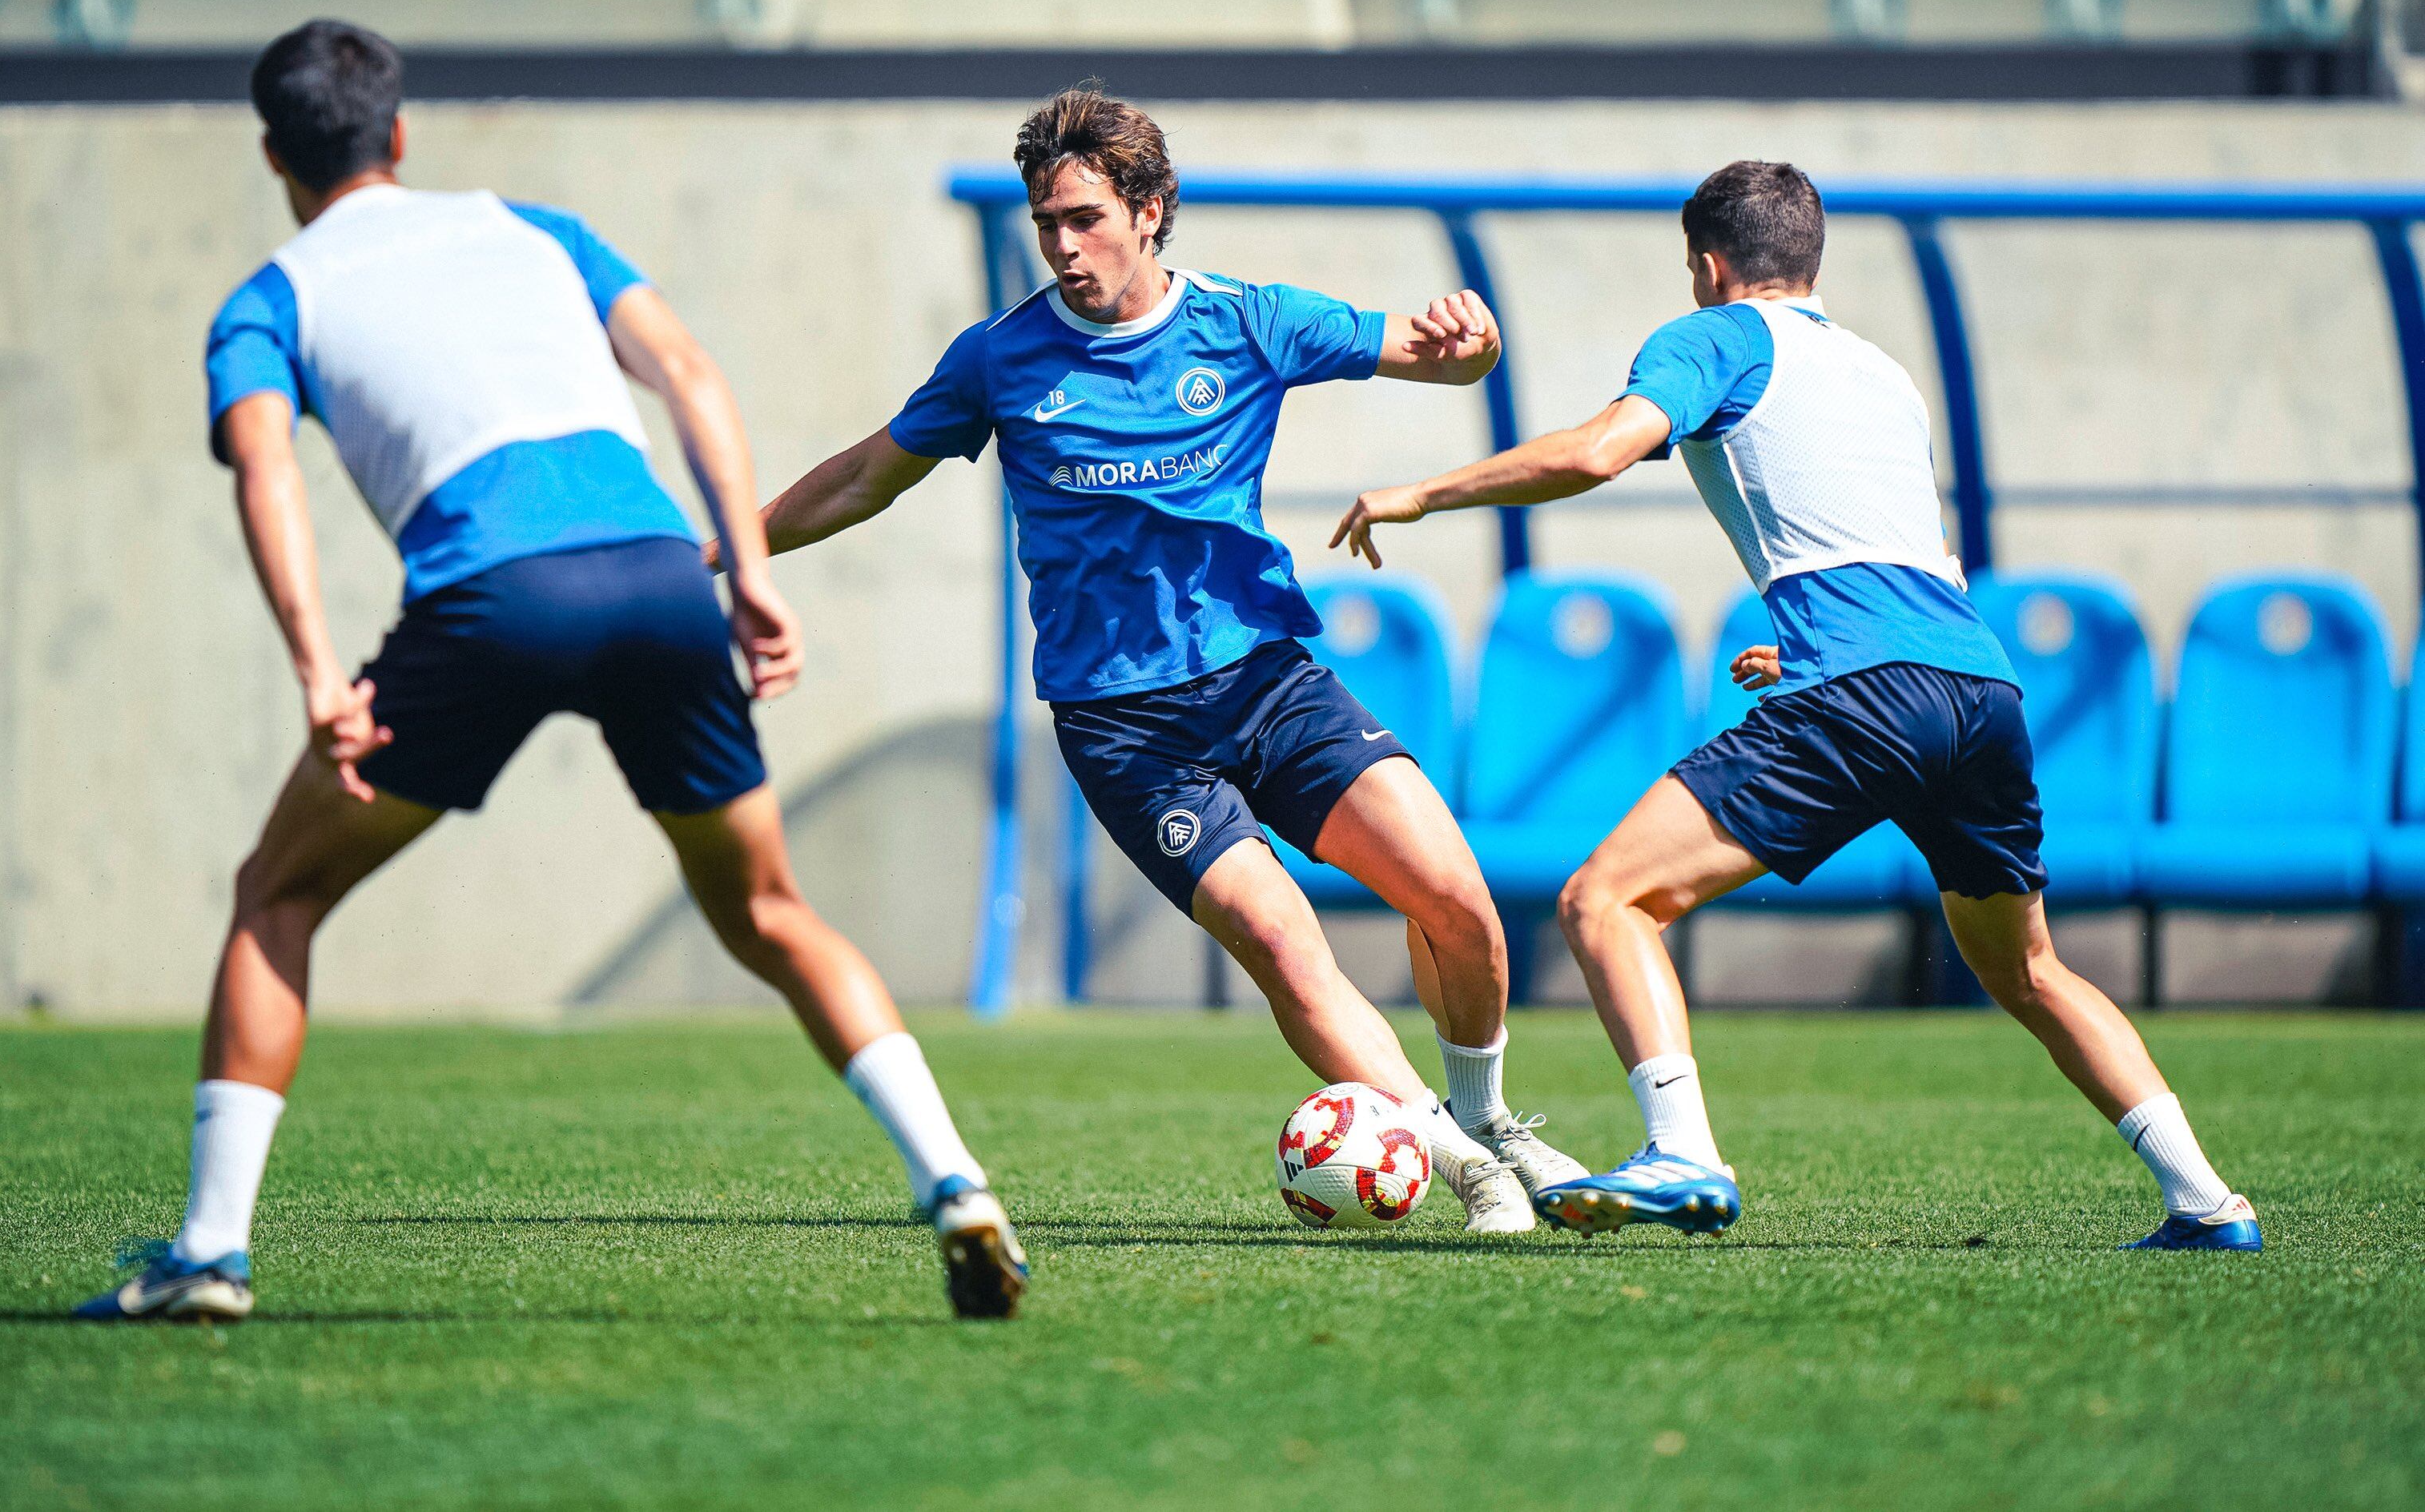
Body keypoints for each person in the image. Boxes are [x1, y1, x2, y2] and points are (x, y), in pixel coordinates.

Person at [78, 19, 1028, 1326]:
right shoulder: (539, 231)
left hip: (491, 600)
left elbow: (266, 472)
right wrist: (745, 564)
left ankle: (208, 1254)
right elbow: (687, 372)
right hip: (652, 574)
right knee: (768, 911)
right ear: (398, 135)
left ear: (271, 155)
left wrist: (315, 669)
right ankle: (958, 1183)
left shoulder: (269, 300)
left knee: (277, 891)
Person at [1329, 159, 2259, 1253]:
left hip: (1865, 692)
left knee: (1604, 903)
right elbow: (1902, 563)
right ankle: (2206, 1202)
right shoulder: (1881, 375)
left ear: (1707, 265)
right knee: (2030, 968)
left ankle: (1683, 1152)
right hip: (1976, 688)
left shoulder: (1711, 337)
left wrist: (1422, 490)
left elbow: (1594, 453)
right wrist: (1814, 646)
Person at [757, 86, 1587, 1233]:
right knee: (1284, 944)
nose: (1061, 244)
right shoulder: (999, 360)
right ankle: (1466, 1171)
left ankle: (1489, 1118)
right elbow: (864, 475)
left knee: (1456, 899)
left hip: (1266, 680)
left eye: (1084, 218)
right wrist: (726, 545)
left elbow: (1439, 361)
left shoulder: (1250, 322)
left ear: (1149, 212)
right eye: (1046, 221)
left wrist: (1472, 342)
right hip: (1126, 728)